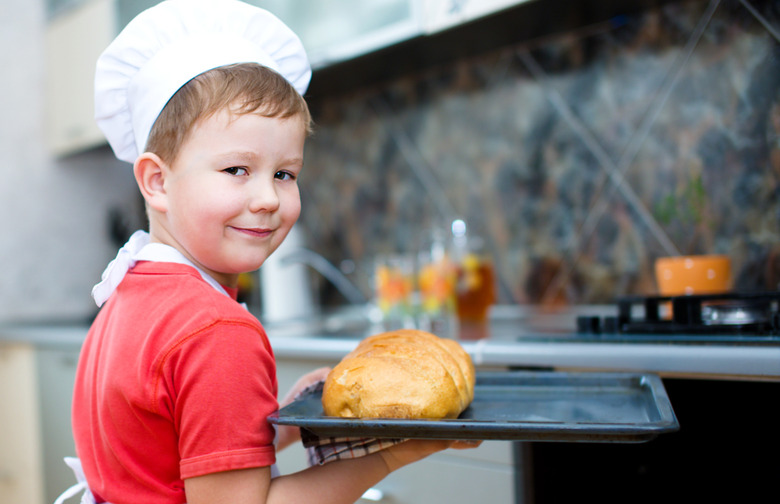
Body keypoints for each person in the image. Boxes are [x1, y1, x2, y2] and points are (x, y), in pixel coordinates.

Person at [65, 1, 478, 503]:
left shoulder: (125, 299)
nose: (267, 197)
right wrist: (394, 453)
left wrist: (285, 420)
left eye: (284, 173)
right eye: (237, 170)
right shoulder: (217, 332)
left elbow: (173, 458)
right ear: (157, 181)